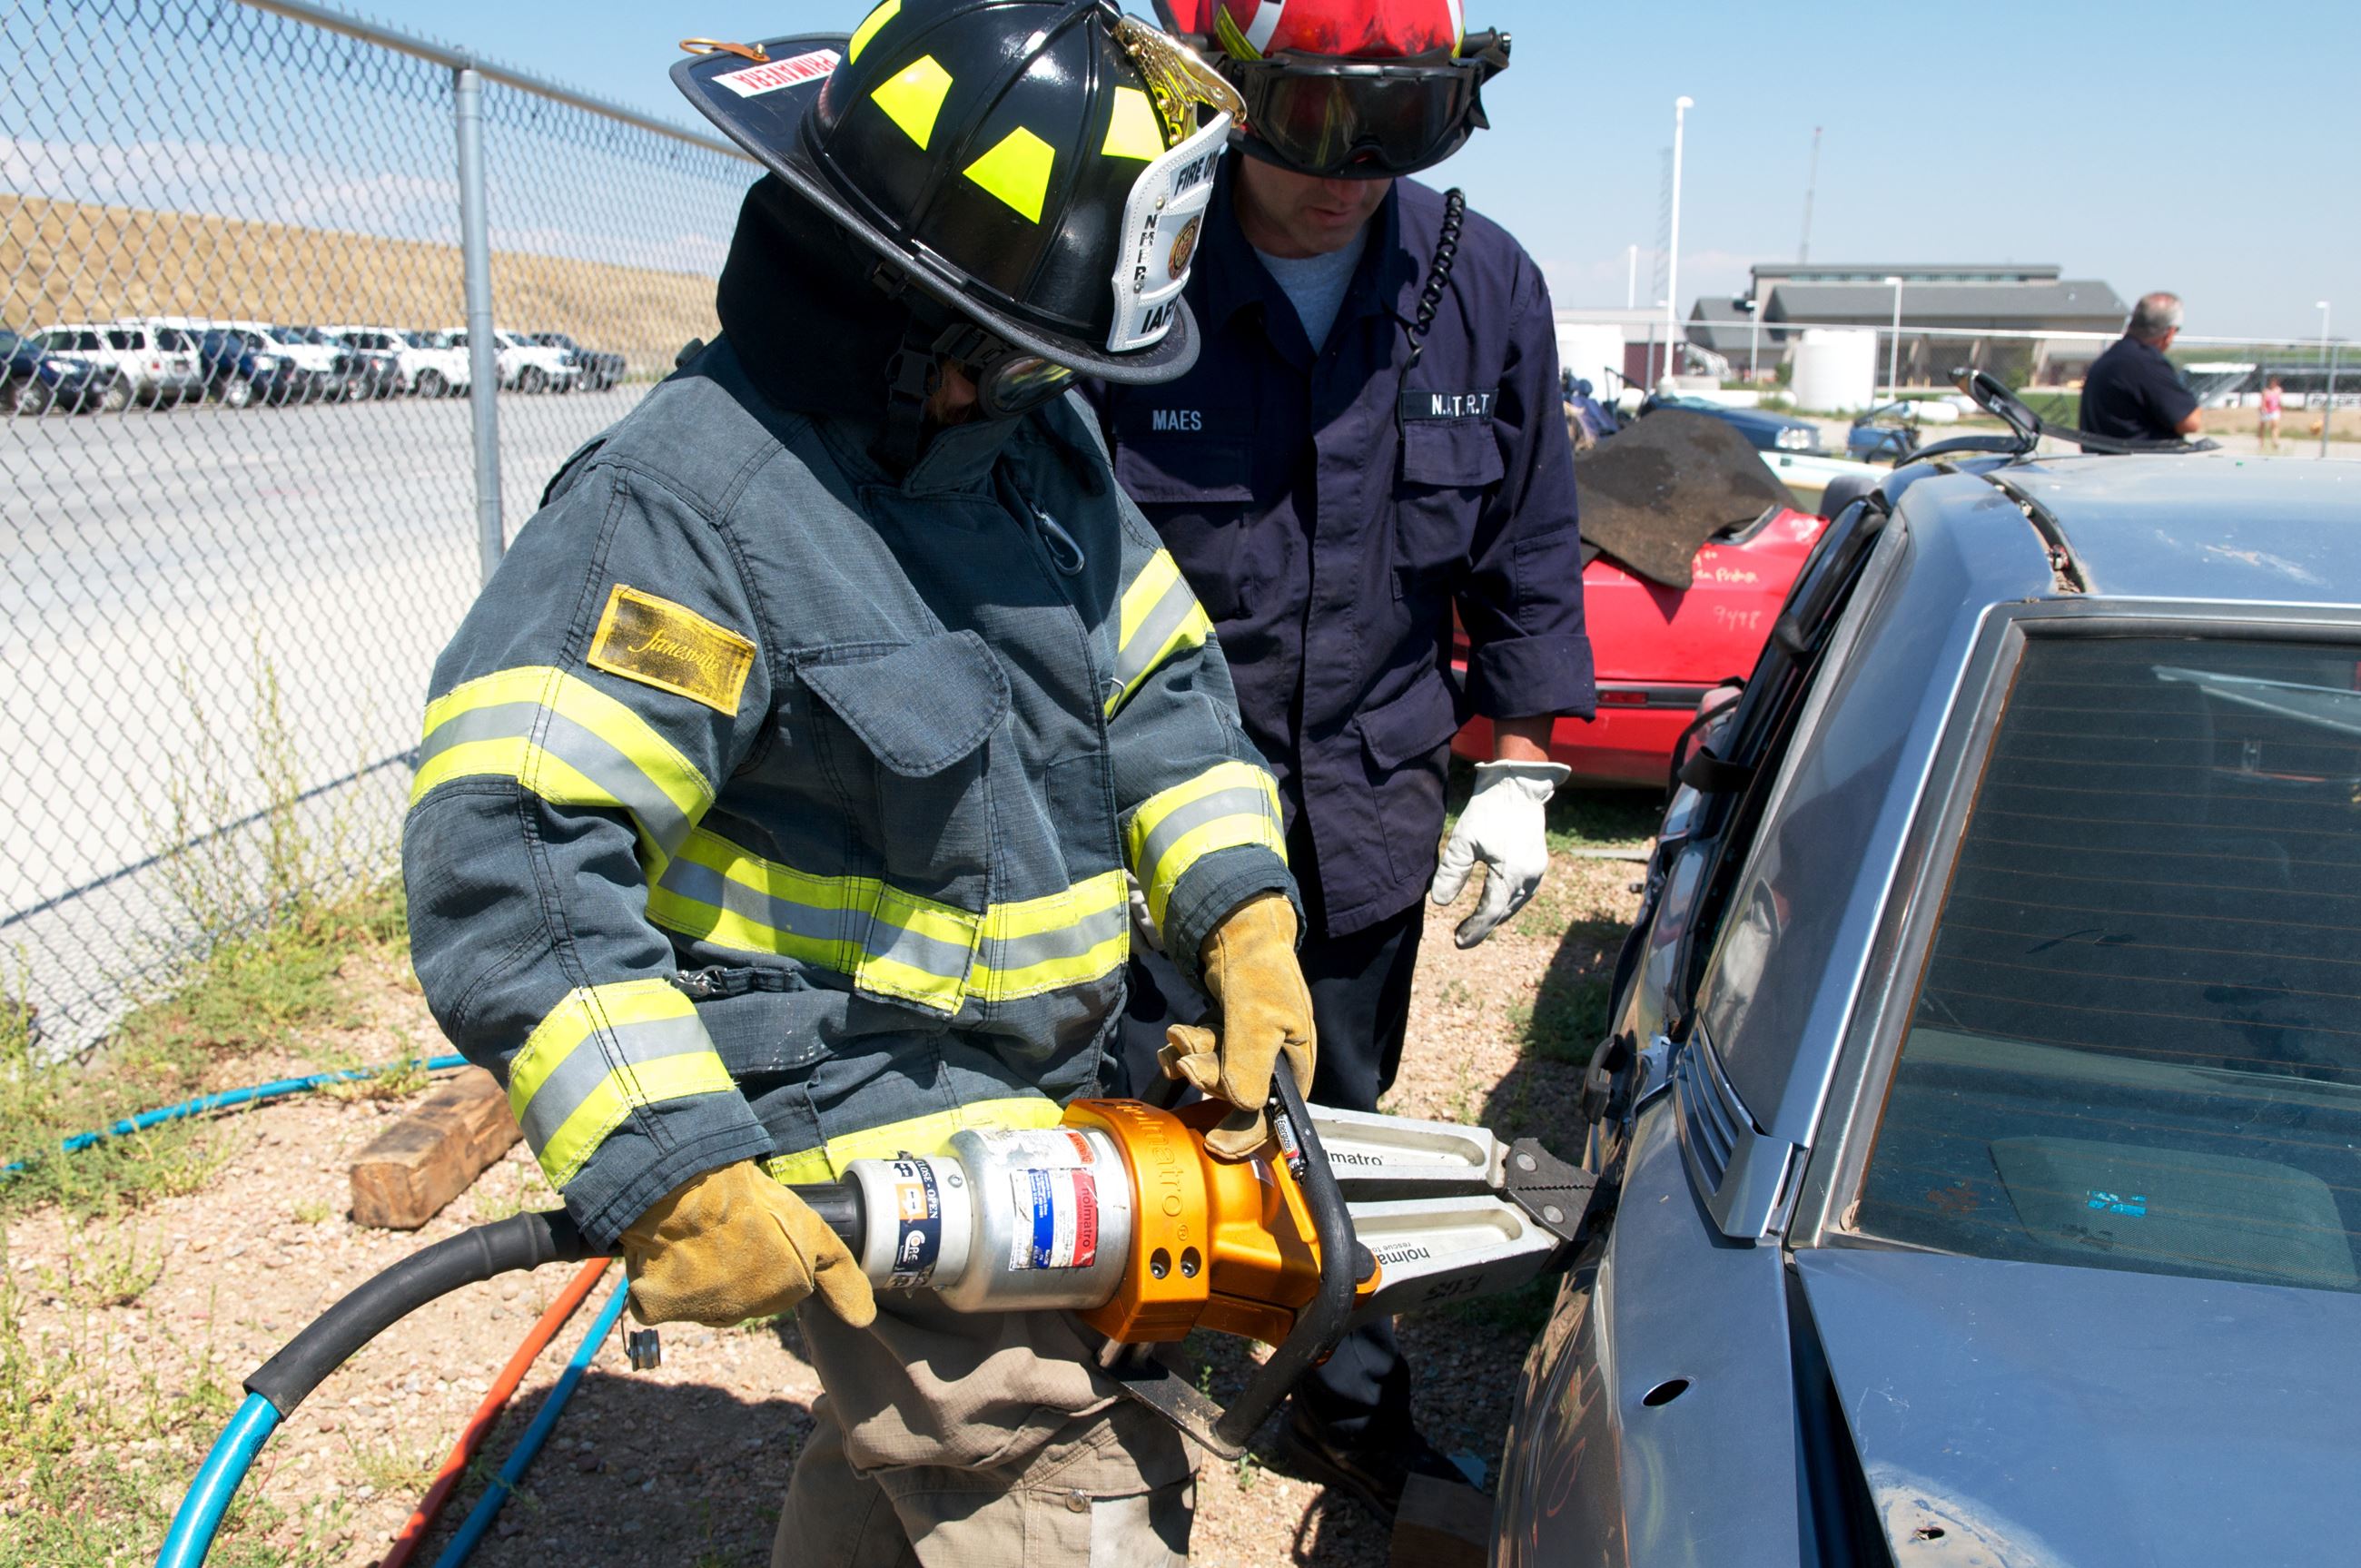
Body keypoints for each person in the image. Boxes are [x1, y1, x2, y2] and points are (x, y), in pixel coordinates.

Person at [401, 5, 1315, 1563]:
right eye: (1025, 349)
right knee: (1065, 1477)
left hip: (1038, 1097)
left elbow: (1159, 690)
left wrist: (1241, 916)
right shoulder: (686, 515)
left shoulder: (1030, 448)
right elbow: (518, 852)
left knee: (911, 1478)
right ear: (899, 306)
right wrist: (667, 1160)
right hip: (843, 1128)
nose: (1047, 385)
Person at [1087, 0, 1595, 1522]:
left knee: (1338, 1125)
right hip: (1143, 827)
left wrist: (1518, 769)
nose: (1348, 178)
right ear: (1232, 93)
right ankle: (1112, 1412)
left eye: (1398, 137)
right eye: (1315, 131)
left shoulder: (1478, 285)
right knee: (1136, 1128)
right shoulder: (1130, 262)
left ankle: (1341, 1401)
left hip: (1364, 802)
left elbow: (1530, 540)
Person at [2080, 291, 2202, 442]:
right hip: (2141, 460)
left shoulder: (2112, 357)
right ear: (2169, 333)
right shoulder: (2146, 363)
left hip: (2105, 457)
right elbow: (2190, 422)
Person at [2258, 375, 2285, 453]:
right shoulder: (2266, 391)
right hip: (2266, 410)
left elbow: (2279, 400)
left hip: (2274, 410)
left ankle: (2275, 442)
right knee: (2262, 427)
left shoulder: (2278, 390)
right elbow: (2263, 401)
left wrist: (2282, 407)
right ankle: (2261, 443)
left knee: (2275, 426)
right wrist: (2262, 408)